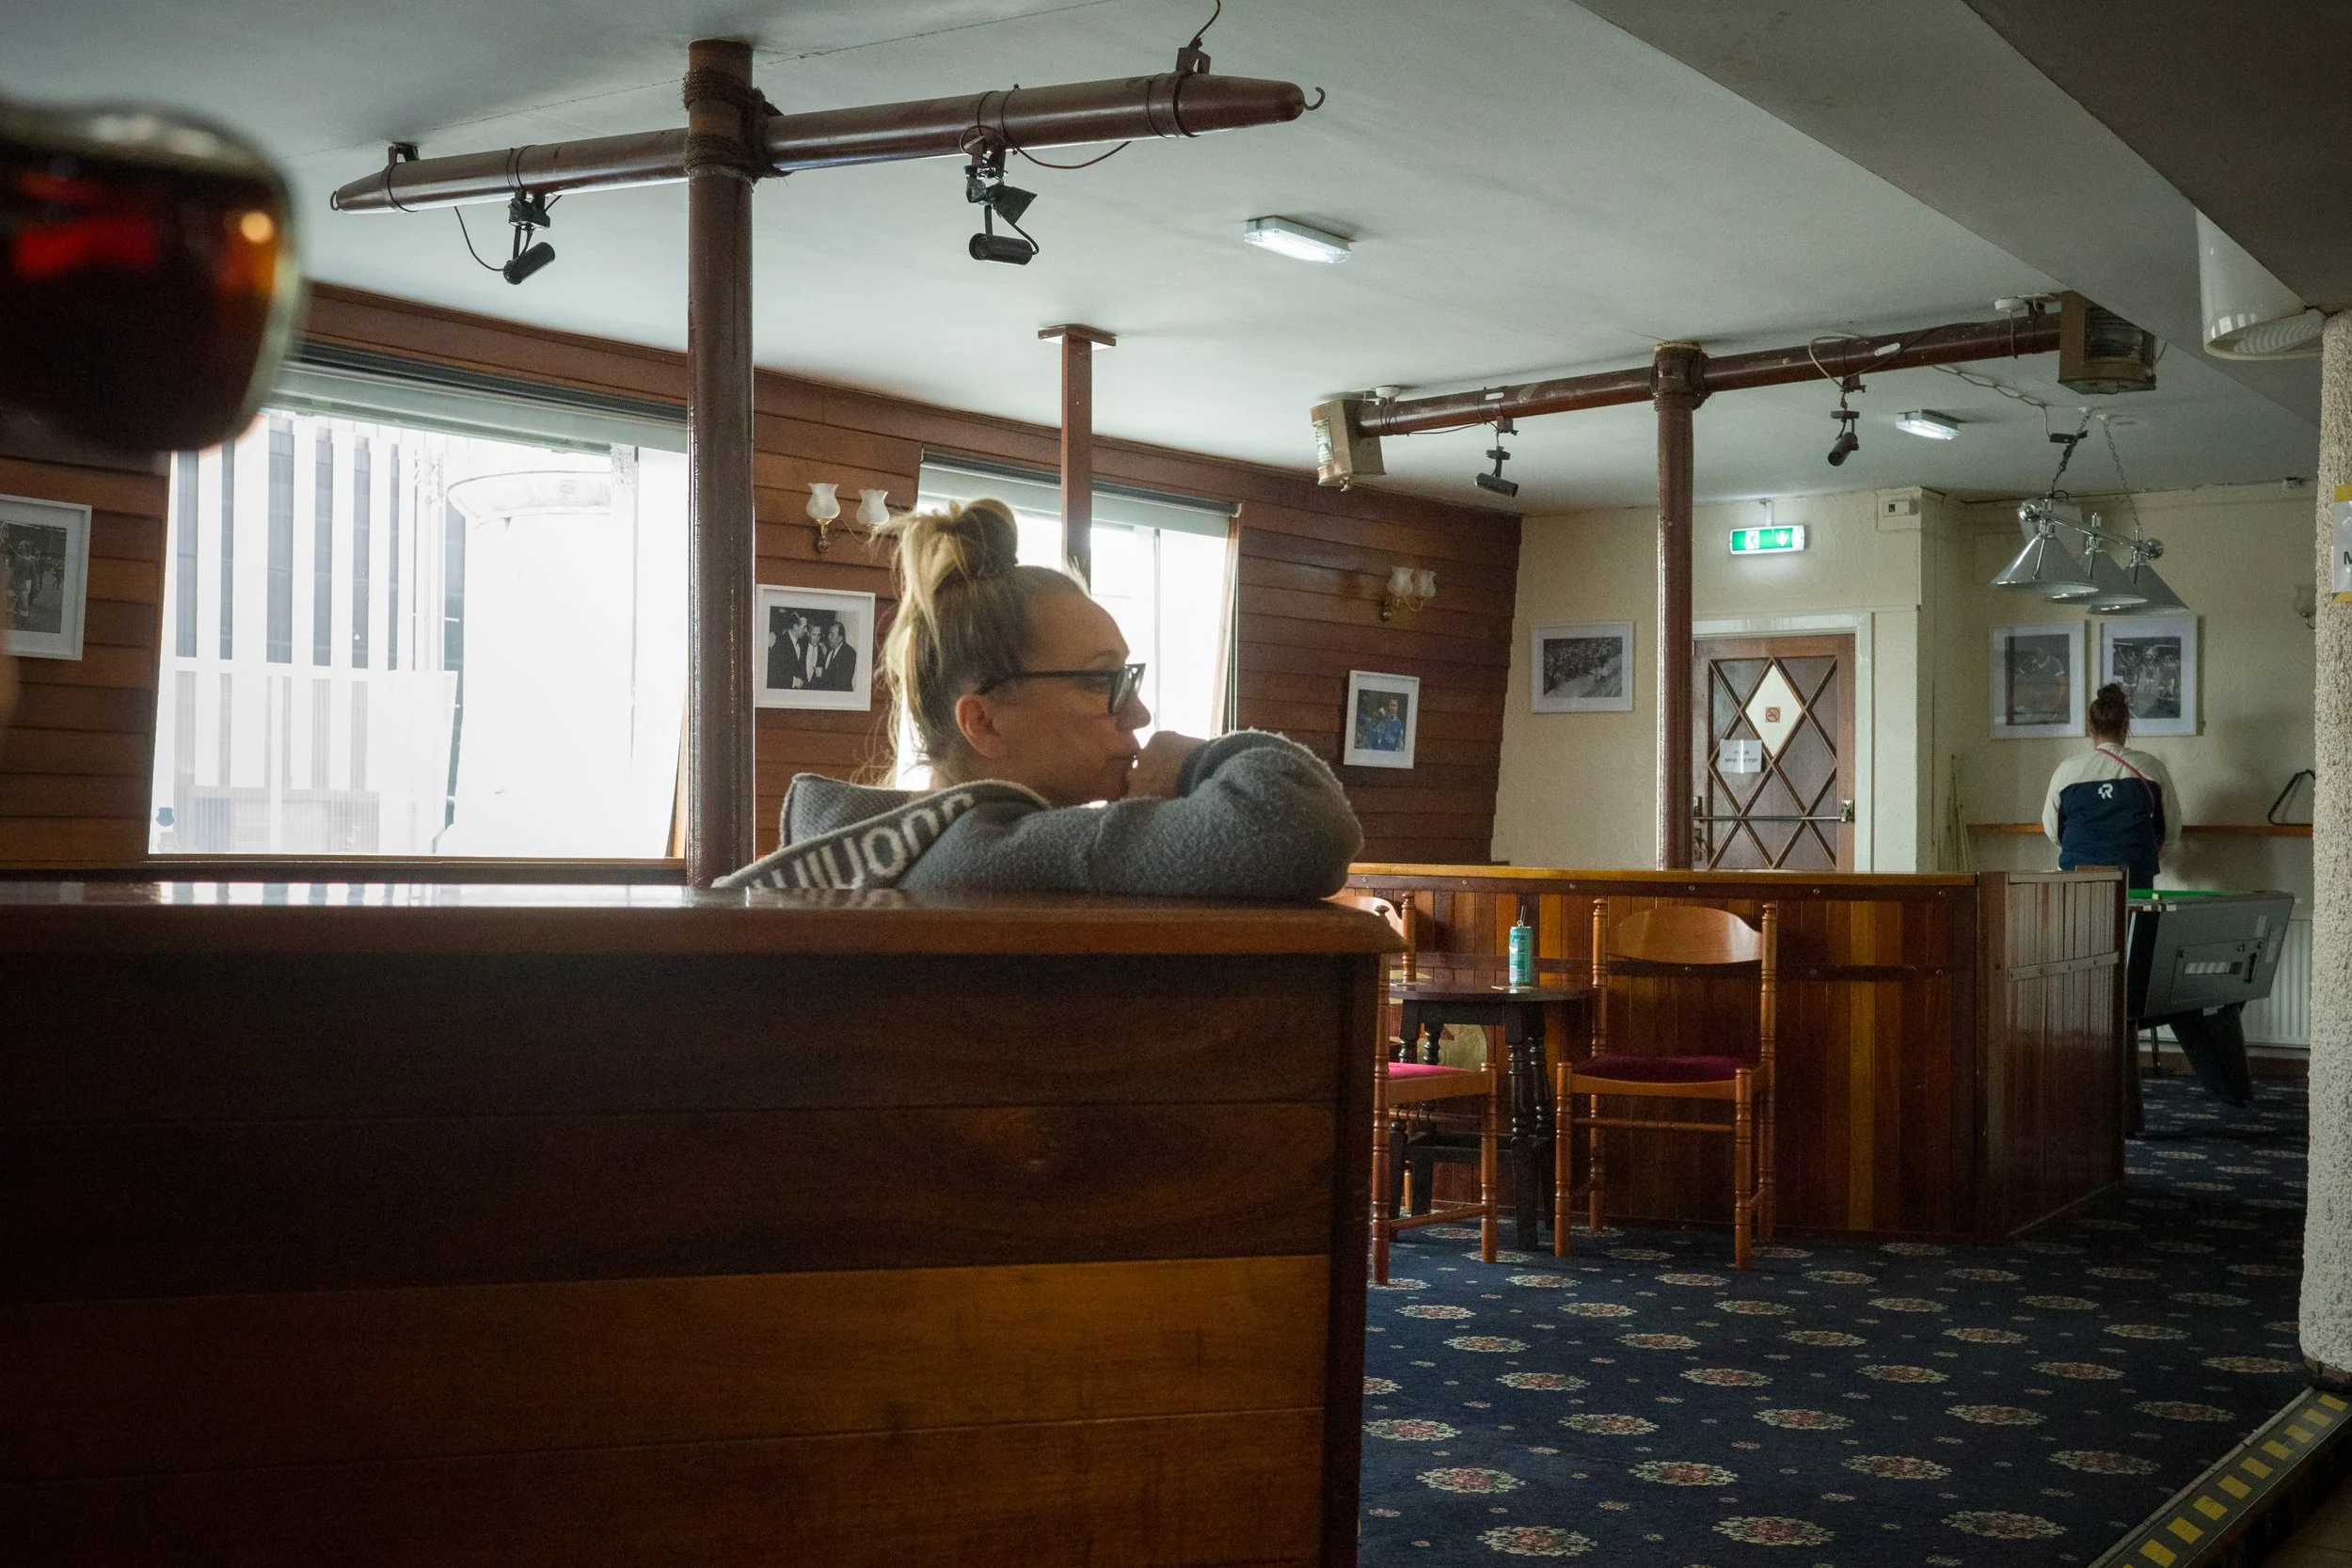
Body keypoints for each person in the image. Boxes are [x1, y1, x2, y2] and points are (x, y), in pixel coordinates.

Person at [718, 497, 1361, 896]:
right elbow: (1300, 825)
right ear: (984, 722)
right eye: (1102, 681)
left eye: (1130, 679)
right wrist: (1195, 762)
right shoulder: (995, 854)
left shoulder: (894, 853)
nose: (1139, 712)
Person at [2042, 682, 2182, 891]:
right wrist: (2145, 855)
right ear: (2125, 725)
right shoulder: (2151, 767)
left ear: (2090, 726)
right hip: (2135, 875)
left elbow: (2053, 829)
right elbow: (2170, 828)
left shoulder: (2066, 771)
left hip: (2077, 877)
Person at [812, 619, 856, 692]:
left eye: (832, 634)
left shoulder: (849, 652)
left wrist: (823, 673)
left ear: (840, 638)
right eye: (829, 634)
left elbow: (844, 680)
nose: (829, 637)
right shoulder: (830, 650)